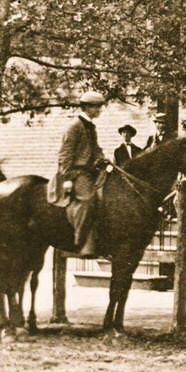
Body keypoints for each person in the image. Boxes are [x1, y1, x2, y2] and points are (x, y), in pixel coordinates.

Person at [58, 91, 107, 256]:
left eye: (100, 106)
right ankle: (80, 242)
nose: (99, 110)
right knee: (87, 200)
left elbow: (96, 149)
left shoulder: (91, 126)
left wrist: (103, 159)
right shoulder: (75, 126)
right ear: (86, 107)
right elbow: (65, 154)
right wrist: (67, 178)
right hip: (77, 173)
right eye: (96, 106)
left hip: (91, 171)